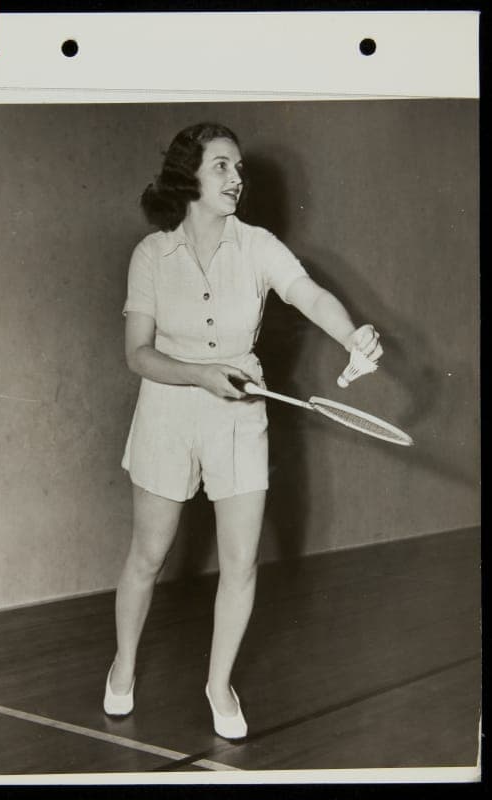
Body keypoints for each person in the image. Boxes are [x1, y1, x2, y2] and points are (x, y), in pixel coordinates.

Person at [103, 122, 382, 738]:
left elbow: (306, 293)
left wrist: (351, 334)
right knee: (148, 555)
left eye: (238, 168)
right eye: (222, 166)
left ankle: (218, 682)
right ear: (190, 175)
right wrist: (200, 375)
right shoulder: (151, 255)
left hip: (239, 412)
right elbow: (138, 354)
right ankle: (122, 665)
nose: (236, 178)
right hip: (167, 411)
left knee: (242, 561)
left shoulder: (258, 246)